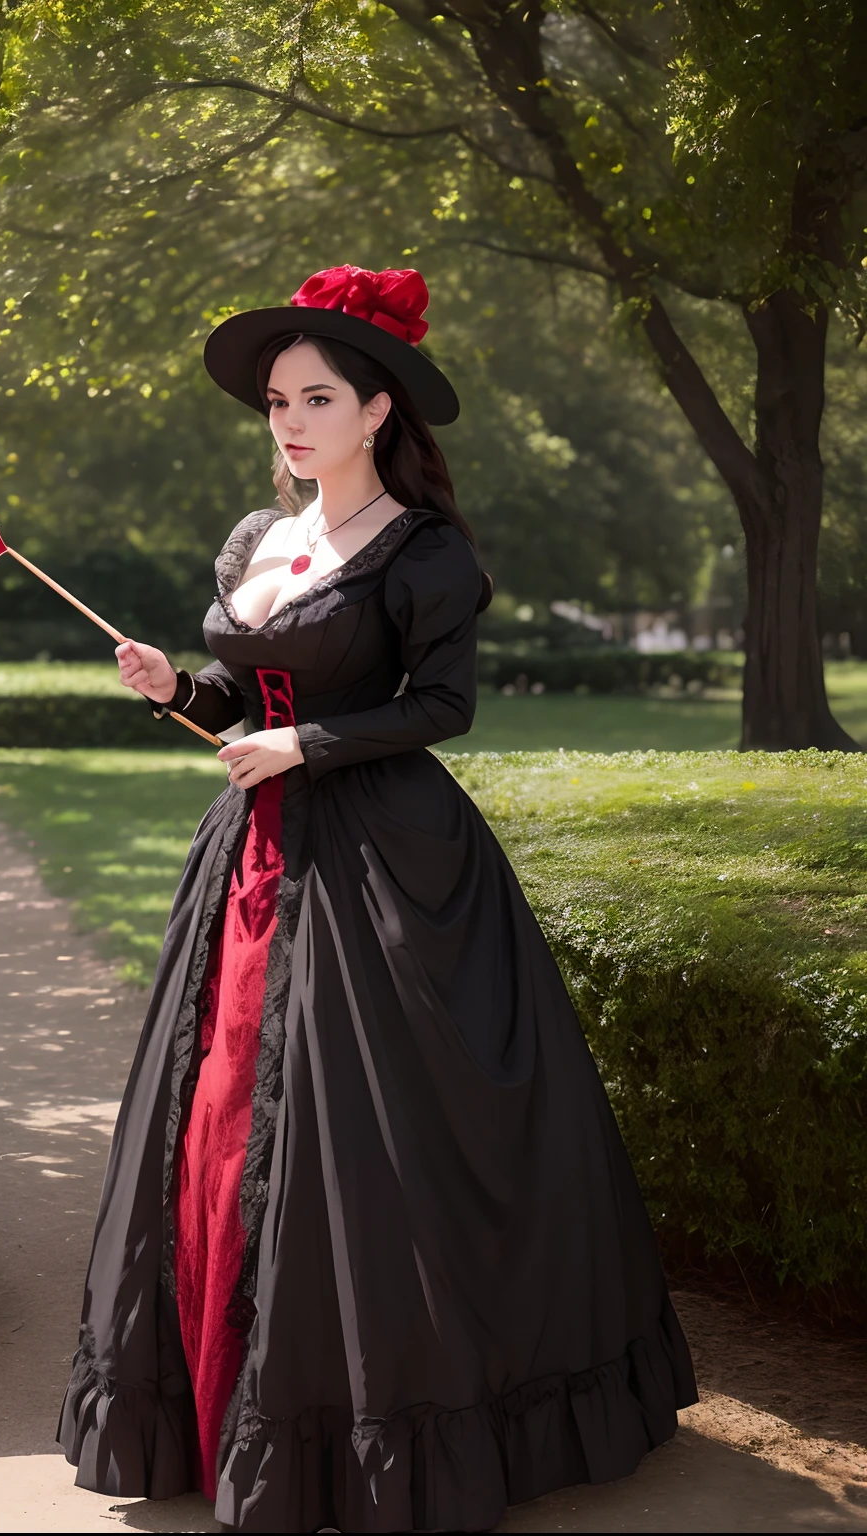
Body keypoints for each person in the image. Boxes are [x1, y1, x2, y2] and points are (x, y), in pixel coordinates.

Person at [57, 268, 695, 1530]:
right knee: (222, 1107)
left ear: (375, 411)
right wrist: (173, 690)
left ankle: (389, 1421)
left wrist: (308, 749)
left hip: (383, 864)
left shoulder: (422, 549)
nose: (288, 422)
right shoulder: (262, 540)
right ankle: (214, 1399)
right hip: (250, 862)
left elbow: (442, 708)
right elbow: (238, 707)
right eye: (276, 403)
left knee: (383, 1137)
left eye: (315, 398)